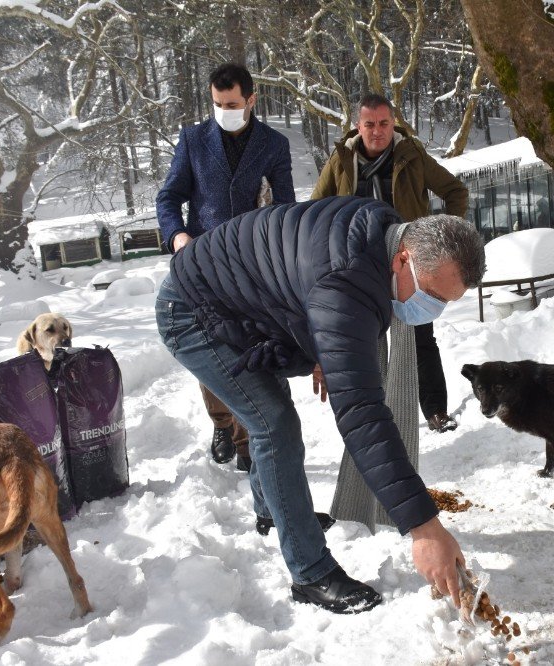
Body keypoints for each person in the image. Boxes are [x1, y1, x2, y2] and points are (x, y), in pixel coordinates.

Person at [155, 196, 486, 613]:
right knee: (273, 424)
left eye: (446, 303)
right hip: (192, 312)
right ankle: (310, 573)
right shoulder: (346, 283)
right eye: (433, 296)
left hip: (237, 298)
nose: (433, 311)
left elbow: (302, 283)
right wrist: (424, 528)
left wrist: (323, 347)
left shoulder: (379, 236)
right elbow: (363, 417)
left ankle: (273, 510)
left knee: (270, 413)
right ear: (403, 259)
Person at [156, 62, 295, 471]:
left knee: (250, 343)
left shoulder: (273, 144)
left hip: (253, 264)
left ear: (251, 100)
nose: (223, 111)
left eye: (232, 104)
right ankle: (222, 423)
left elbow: (286, 207)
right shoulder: (193, 140)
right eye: (217, 104)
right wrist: (178, 236)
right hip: (202, 263)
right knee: (213, 344)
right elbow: (168, 197)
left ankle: (251, 438)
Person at [311, 94, 468, 433]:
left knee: (420, 337)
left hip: (410, 262)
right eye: (369, 124)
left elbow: (456, 191)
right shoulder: (341, 159)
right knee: (367, 342)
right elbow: (312, 211)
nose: (377, 131)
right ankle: (377, 417)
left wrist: (444, 239)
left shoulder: (411, 155)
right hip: (359, 266)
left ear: (392, 123)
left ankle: (436, 411)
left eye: (384, 123)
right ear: (358, 126)